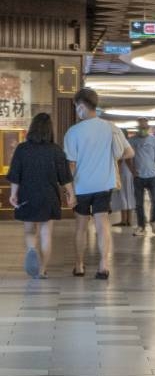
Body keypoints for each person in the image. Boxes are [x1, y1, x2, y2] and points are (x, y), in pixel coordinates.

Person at [64, 88, 134, 280]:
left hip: (81, 186)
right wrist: (110, 159)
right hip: (104, 184)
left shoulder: (73, 132)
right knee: (102, 224)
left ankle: (79, 265)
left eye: (76, 107)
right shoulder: (110, 127)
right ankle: (103, 265)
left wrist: (68, 190)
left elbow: (71, 164)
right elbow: (129, 153)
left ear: (81, 106)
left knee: (81, 226)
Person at [7, 113, 76, 279]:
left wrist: (13, 194)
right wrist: (71, 195)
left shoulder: (22, 149)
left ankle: (31, 249)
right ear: (49, 130)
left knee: (30, 230)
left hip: (27, 195)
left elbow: (15, 174)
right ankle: (42, 270)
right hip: (49, 196)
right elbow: (65, 177)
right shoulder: (56, 150)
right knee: (46, 233)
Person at [127, 117, 155, 236]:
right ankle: (141, 226)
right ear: (138, 128)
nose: (143, 130)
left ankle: (153, 221)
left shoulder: (154, 140)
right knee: (139, 204)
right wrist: (132, 170)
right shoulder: (132, 141)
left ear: (148, 128)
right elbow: (127, 157)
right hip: (139, 176)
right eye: (141, 128)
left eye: (145, 128)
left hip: (153, 175)